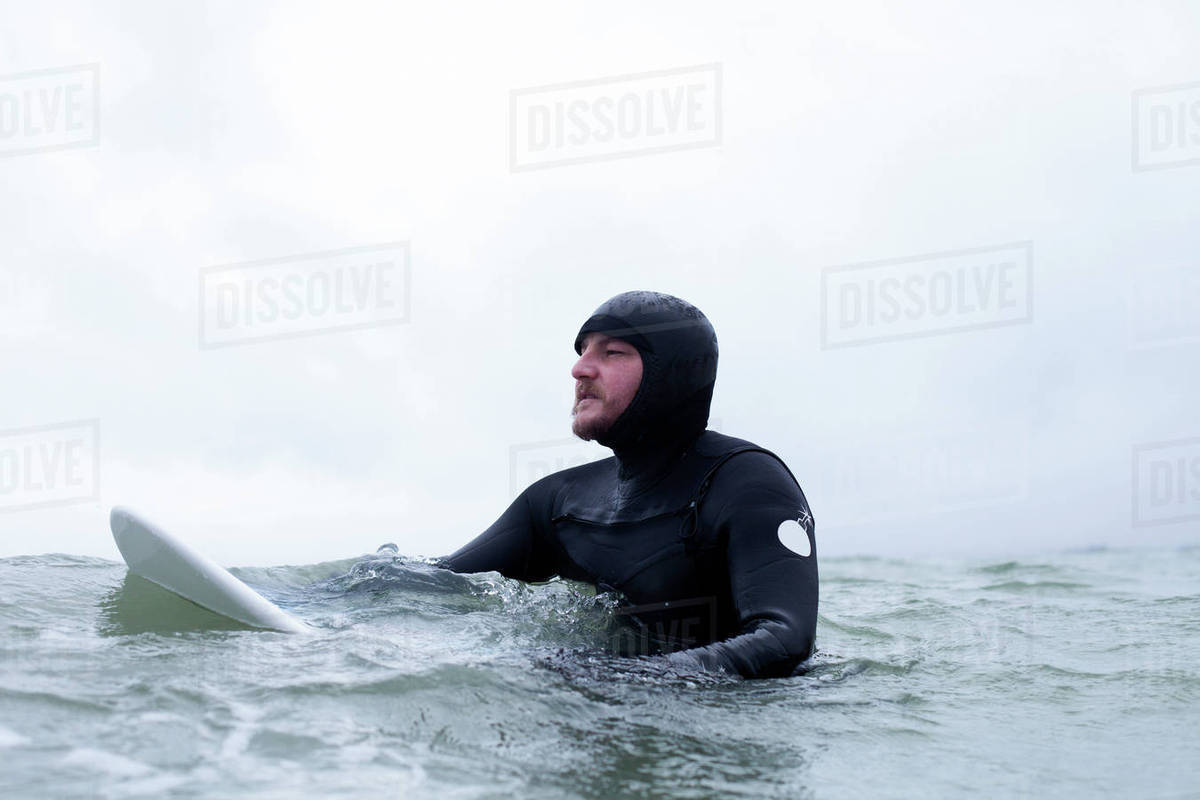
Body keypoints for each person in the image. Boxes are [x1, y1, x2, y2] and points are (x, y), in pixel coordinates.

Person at [437, 291, 817, 679]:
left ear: (670, 372)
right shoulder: (557, 502)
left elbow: (785, 640)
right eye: (582, 351)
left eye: (612, 353)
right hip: (599, 701)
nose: (579, 369)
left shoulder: (749, 483)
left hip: (720, 709)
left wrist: (629, 678)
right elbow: (436, 583)